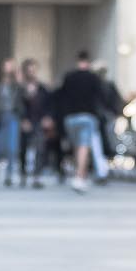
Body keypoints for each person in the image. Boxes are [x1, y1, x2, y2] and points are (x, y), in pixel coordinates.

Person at [52, 50, 109, 194]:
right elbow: (102, 97)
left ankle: (80, 174)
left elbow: (60, 96)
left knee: (77, 146)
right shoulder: (93, 78)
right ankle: (79, 177)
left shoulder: (69, 77)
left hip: (70, 118)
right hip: (87, 116)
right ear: (88, 62)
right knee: (84, 147)